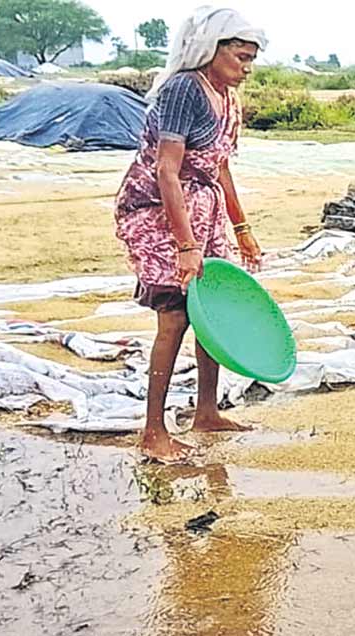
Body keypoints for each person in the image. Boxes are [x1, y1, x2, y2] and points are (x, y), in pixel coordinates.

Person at [114, 7, 267, 463]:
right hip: (158, 210)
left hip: (203, 207)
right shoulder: (184, 90)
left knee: (210, 310)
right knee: (175, 314)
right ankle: (153, 432)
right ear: (210, 50)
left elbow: (220, 166)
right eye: (240, 57)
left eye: (251, 59)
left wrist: (242, 228)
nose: (247, 68)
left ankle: (206, 412)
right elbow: (166, 171)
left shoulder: (227, 97)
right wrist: (185, 246)